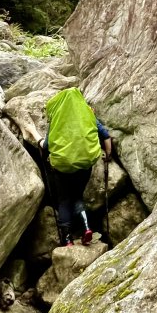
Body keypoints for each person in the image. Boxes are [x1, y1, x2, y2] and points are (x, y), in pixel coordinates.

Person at [41, 87, 112, 246]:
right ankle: (87, 228)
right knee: (78, 196)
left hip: (62, 168)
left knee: (64, 200)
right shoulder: (87, 114)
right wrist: (108, 155)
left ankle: (67, 240)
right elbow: (105, 135)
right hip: (84, 165)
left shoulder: (57, 118)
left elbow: (46, 146)